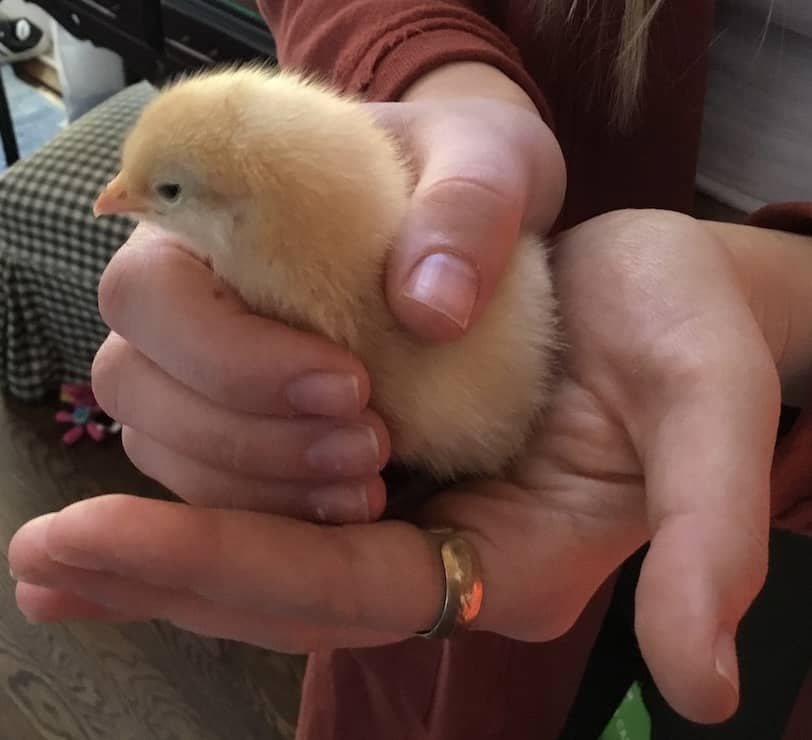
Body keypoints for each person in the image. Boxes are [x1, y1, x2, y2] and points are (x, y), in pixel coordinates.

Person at [7, 2, 812, 738]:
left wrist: (785, 308)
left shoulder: (289, 264)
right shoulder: (294, 240)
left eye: (163, 191)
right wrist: (446, 83)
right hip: (488, 515)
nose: (117, 197)